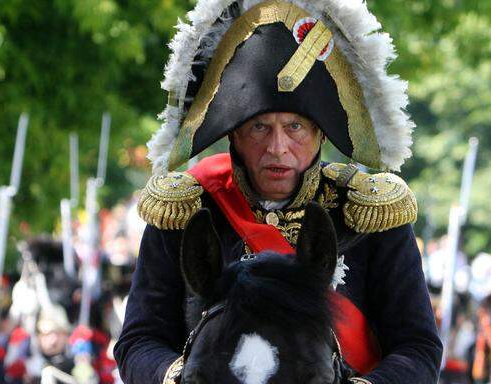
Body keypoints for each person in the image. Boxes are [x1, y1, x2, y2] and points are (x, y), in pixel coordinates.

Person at [114, 0, 443, 383]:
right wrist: (178, 377)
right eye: (259, 127)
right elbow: (139, 339)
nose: (277, 148)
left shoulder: (369, 215)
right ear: (234, 133)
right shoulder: (184, 210)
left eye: (295, 127)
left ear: (320, 133)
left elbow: (418, 346)